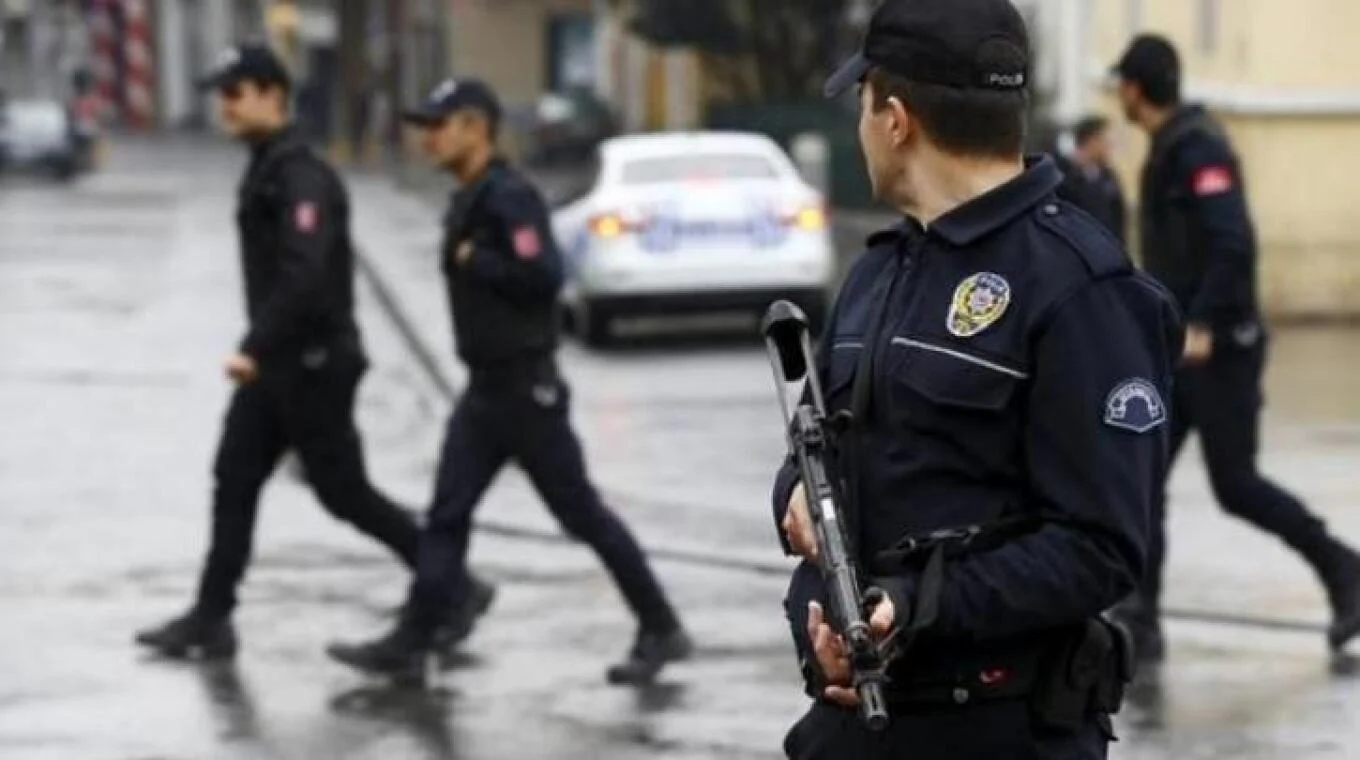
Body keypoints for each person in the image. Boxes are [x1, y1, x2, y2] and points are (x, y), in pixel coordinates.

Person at [773, 1, 1182, 757]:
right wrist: (806, 553)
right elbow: (819, 458)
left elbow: (1101, 548)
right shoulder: (875, 275)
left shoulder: (1082, 288)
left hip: (1000, 730)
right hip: (857, 728)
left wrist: (918, 604)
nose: (862, 127)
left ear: (895, 120)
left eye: (863, 104)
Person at [326, 78, 691, 684]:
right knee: (447, 514)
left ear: (476, 127)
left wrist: (480, 260)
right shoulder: (470, 197)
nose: (429, 139)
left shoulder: (509, 197)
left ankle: (660, 625)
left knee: (580, 514)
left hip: (525, 393)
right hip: (486, 392)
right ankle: (415, 637)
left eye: (440, 126)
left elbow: (544, 274)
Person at [133, 44, 491, 660]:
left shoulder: (301, 176)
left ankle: (455, 583)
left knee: (344, 493)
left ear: (273, 95)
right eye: (221, 95)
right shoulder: (268, 166)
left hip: (313, 363)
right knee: (235, 477)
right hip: (279, 364)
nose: (225, 106)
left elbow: (305, 274)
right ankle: (212, 617)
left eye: (236, 93)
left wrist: (254, 345)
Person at [1111, 33, 1360, 663]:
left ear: (1135, 89)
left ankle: (1344, 569)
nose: (1118, 95)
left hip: (1218, 352)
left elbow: (1232, 243)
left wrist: (1203, 323)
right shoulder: (1170, 147)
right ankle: (1140, 618)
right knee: (1143, 479)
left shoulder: (1199, 149)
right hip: (1178, 352)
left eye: (1121, 85)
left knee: (1236, 484)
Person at [1053, 115, 1126, 244]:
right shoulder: (1065, 175)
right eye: (1105, 140)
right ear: (1092, 140)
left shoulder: (1108, 175)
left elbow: (1118, 215)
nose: (1109, 145)